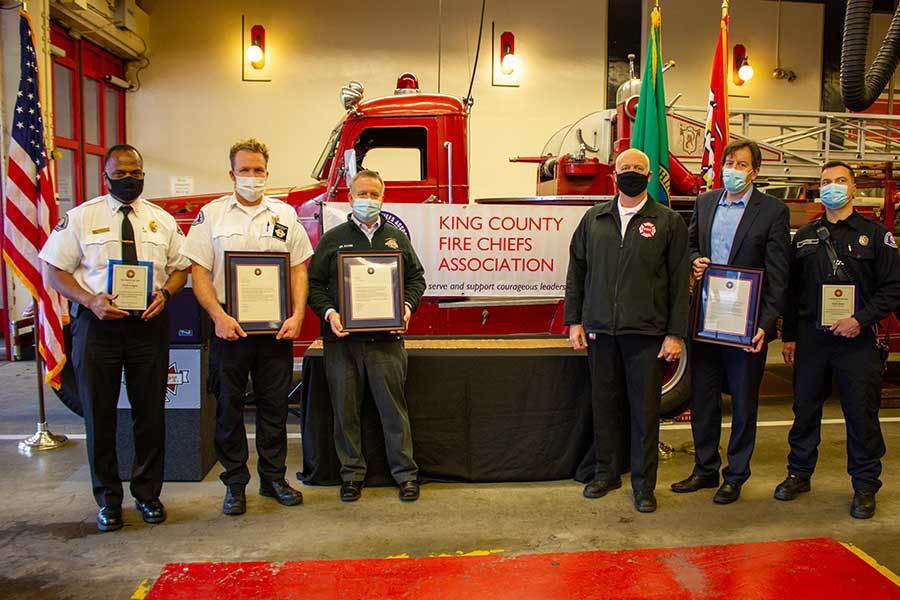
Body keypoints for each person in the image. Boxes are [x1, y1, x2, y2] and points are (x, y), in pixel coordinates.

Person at [40, 144, 189, 532]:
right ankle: (107, 500)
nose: (129, 180)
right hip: (97, 326)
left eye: (135, 172)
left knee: (150, 415)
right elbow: (54, 271)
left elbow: (180, 269)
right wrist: (89, 300)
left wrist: (167, 294)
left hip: (148, 325)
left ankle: (148, 494)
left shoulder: (161, 220)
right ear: (105, 176)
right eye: (120, 173)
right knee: (99, 416)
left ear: (144, 173)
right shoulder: (81, 218)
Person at [182, 139, 313, 516]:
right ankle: (235, 483)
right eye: (245, 170)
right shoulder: (212, 216)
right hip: (230, 327)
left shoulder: (285, 215)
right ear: (231, 174)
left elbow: (297, 268)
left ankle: (273, 479)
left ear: (267, 173)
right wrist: (217, 317)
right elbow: (199, 273)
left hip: (276, 328)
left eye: (258, 170)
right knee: (229, 408)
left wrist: (298, 314)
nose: (252, 177)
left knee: (274, 406)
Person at [564, 148, 690, 513]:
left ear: (649, 177)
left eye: (638, 168)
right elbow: (577, 273)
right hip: (601, 332)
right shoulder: (594, 219)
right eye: (625, 168)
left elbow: (679, 283)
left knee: (645, 412)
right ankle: (605, 473)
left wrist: (675, 333)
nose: (631, 173)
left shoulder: (667, 223)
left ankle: (643, 484)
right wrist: (575, 320)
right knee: (604, 406)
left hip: (647, 336)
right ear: (613, 177)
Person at [777, 160, 900, 519]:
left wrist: (860, 319)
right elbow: (793, 294)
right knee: (804, 410)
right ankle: (799, 473)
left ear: (854, 188)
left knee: (861, 414)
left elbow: (892, 289)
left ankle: (864, 486)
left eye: (840, 181)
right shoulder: (804, 236)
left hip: (856, 341)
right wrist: (790, 338)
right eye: (826, 181)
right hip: (813, 340)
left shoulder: (876, 235)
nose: (833, 186)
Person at [671, 140, 791, 504]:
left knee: (742, 400)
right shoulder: (706, 203)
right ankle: (705, 468)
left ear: (755, 171)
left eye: (742, 164)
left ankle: (735, 474)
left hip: (746, 323)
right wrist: (695, 261)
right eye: (729, 162)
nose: (733, 169)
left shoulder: (772, 211)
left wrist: (766, 324)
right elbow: (689, 245)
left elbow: (779, 273)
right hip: (706, 318)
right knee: (703, 397)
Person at [307, 169, 426, 502]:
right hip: (342, 343)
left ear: (383, 198)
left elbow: (417, 279)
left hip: (386, 342)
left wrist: (405, 307)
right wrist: (330, 314)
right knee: (346, 412)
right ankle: (351, 476)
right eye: (362, 194)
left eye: (374, 194)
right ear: (350, 197)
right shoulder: (332, 238)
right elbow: (314, 285)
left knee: (394, 411)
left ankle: (405, 475)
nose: (368, 200)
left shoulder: (397, 239)